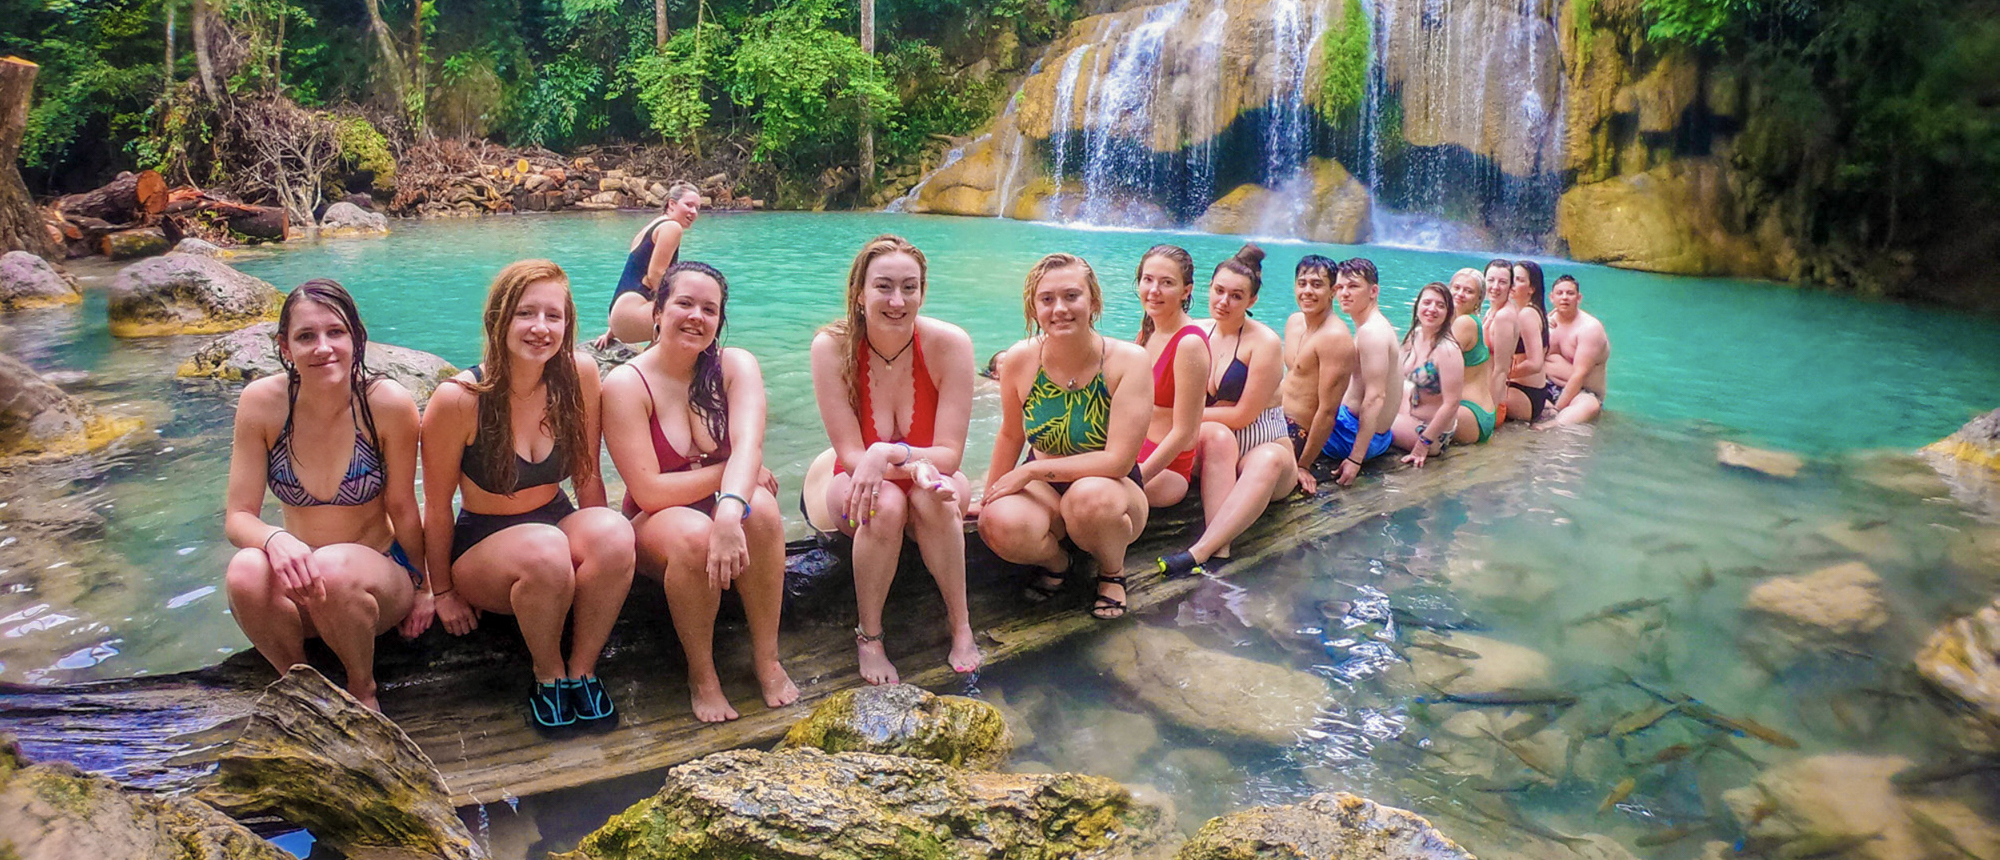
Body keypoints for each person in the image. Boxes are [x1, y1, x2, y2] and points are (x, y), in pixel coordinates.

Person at [421, 259, 636, 732]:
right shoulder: (459, 398)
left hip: (554, 522)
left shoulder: (579, 374)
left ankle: (582, 668)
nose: (541, 328)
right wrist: (440, 591)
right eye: (526, 313)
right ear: (499, 319)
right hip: (484, 541)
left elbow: (586, 477)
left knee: (617, 534)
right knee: (545, 550)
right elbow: (435, 509)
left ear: (568, 323)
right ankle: (548, 675)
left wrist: (602, 565)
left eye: (553, 316)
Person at [600, 261, 797, 722]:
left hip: (719, 504)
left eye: (710, 309)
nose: (696, 317)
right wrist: (731, 474)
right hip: (658, 521)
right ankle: (702, 675)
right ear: (658, 311)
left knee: (763, 511)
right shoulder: (626, 384)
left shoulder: (734, 365)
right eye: (684, 303)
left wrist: (730, 510)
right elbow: (648, 491)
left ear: (720, 321)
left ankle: (766, 659)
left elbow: (751, 443)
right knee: (696, 532)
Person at [223, 281, 428, 711]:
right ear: (284, 346)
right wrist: (273, 539)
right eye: (305, 336)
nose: (323, 348)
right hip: (302, 587)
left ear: (356, 336)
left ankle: (361, 689)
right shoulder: (262, 403)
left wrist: (427, 588)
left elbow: (404, 507)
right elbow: (239, 516)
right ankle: (300, 682)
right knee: (244, 570)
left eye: (336, 332)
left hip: (372, 584)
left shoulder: (386, 404)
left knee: (331, 568)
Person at [808, 235, 979, 685]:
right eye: (883, 286)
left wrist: (892, 453)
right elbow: (849, 455)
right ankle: (870, 636)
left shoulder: (951, 344)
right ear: (859, 293)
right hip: (858, 482)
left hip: (932, 474)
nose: (897, 301)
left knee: (934, 499)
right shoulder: (831, 347)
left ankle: (960, 624)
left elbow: (950, 454)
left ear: (923, 291)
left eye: (910, 287)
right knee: (883, 503)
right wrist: (893, 463)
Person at [975, 253, 1152, 621]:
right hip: (1044, 486)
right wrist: (991, 492)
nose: (1060, 309)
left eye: (1072, 296)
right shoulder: (1021, 360)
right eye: (1047, 299)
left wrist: (1028, 473)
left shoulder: (1128, 362)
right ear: (1033, 307)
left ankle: (1111, 571)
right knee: (996, 522)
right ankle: (1059, 563)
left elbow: (1118, 460)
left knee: (1089, 497)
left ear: (1094, 302)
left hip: (1111, 488)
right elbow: (1010, 434)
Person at [1155, 244, 1296, 577]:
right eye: (1219, 291)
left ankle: (1201, 553)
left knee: (1269, 459)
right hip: (1212, 452)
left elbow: (1243, 415)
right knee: (1214, 437)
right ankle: (1217, 552)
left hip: (1259, 451)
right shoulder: (1194, 332)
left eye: (1236, 296)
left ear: (1252, 301)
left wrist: (1184, 415)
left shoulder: (1265, 342)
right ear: (1208, 289)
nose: (1224, 301)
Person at [1131, 245, 1211, 509]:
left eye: (1167, 283)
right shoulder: (1147, 332)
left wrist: (1136, 479)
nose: (1154, 291)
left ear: (1186, 291)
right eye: (1148, 280)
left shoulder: (1189, 344)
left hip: (1166, 467)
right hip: (1130, 449)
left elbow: (1184, 431)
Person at [593, 182, 701, 347]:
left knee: (674, 316)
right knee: (695, 320)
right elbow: (655, 275)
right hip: (630, 313)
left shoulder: (651, 227)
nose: (693, 212)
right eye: (689, 205)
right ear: (672, 204)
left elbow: (632, 276)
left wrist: (613, 328)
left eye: (697, 208)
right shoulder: (672, 227)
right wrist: (679, 303)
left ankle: (643, 364)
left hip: (620, 312)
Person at [1281, 255, 1354, 494]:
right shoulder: (1294, 322)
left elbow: (1327, 411)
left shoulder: (1335, 339)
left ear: (1332, 290)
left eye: (1317, 284)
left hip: (1296, 431)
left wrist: (1303, 464)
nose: (1307, 291)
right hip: (1273, 415)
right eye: (1302, 283)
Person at [1326, 258, 1401, 486]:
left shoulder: (1371, 333)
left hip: (1351, 437)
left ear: (1373, 291)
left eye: (1353, 286)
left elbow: (1376, 397)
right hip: (1377, 436)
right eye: (1340, 287)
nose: (1344, 293)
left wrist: (1355, 460)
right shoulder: (1374, 326)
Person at [1390, 283, 1465, 467]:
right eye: (1427, 303)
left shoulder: (1448, 350)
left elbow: (1452, 403)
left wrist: (1423, 444)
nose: (1432, 309)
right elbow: (1394, 374)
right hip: (1407, 414)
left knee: (1370, 423)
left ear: (1448, 313)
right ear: (1417, 308)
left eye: (1440, 305)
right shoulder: (1414, 336)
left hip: (1429, 433)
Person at [1544, 274, 1610, 424]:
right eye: (1560, 293)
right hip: (1547, 385)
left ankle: (1554, 423)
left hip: (1582, 392)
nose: (1565, 297)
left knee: (1589, 406)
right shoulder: (1547, 321)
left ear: (1579, 298)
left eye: (1570, 293)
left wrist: (1557, 408)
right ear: (1551, 297)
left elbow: (1579, 375)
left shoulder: (1589, 328)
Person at [1447, 268, 1500, 444]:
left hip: (1470, 412)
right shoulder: (1453, 321)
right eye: (1457, 288)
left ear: (1478, 299)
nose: (1460, 294)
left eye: (1469, 291)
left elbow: (1433, 367)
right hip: (1475, 413)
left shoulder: (1465, 323)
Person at [1502, 259, 1553, 424]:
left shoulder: (1527, 314)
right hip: (1531, 393)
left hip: (1524, 394)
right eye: (1512, 278)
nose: (1513, 283)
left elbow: (1535, 363)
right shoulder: (1529, 310)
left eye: (1519, 280)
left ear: (1532, 288)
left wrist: (1500, 376)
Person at [1480, 259, 1520, 425]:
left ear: (1511, 288)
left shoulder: (1504, 316)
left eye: (1502, 282)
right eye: (1491, 280)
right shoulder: (1492, 310)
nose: (1495, 287)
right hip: (1482, 395)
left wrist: (1491, 413)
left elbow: (1501, 370)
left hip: (1491, 402)